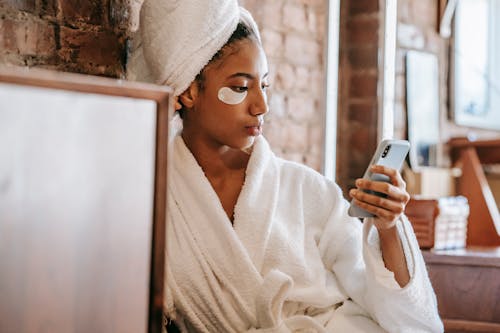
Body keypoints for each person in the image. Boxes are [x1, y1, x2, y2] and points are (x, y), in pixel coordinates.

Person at [128, 0, 443, 332]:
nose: (262, 105)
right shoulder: (157, 202)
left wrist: (389, 228)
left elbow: (408, 321)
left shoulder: (308, 190)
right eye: (240, 87)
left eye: (264, 85)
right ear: (189, 91)